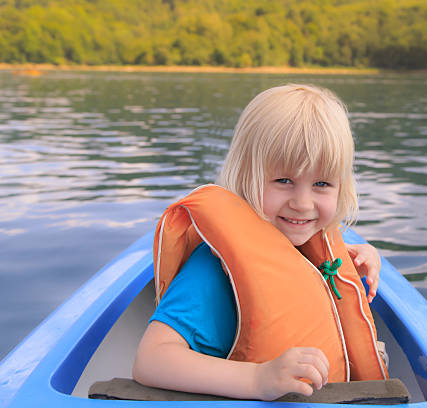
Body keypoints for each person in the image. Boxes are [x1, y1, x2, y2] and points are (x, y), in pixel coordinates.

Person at [133, 84, 386, 401]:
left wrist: (361, 256)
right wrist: (257, 378)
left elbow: (300, 269)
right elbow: (151, 359)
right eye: (284, 181)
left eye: (322, 183)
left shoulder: (305, 240)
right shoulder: (212, 271)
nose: (302, 203)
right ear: (244, 176)